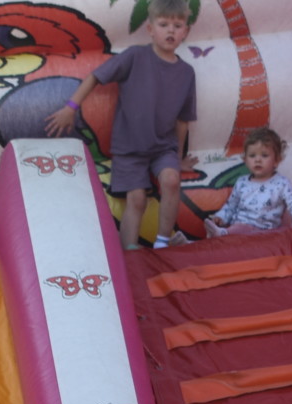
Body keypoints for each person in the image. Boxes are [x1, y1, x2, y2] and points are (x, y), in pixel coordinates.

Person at [43, 0, 197, 250]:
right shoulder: (135, 56)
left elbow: (183, 120)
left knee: (171, 180)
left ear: (185, 32)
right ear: (151, 29)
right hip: (129, 147)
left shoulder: (186, 73)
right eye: (164, 24)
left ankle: (163, 243)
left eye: (177, 26)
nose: (171, 30)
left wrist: (178, 158)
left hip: (162, 148)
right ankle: (130, 250)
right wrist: (71, 108)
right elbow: (96, 76)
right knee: (136, 199)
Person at [206, 126, 292, 237]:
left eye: (264, 155)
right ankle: (217, 235)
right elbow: (231, 205)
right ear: (245, 160)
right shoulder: (241, 182)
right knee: (240, 227)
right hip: (239, 229)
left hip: (266, 233)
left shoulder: (281, 183)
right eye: (252, 155)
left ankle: (223, 233)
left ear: (276, 160)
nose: (257, 160)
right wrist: (220, 217)